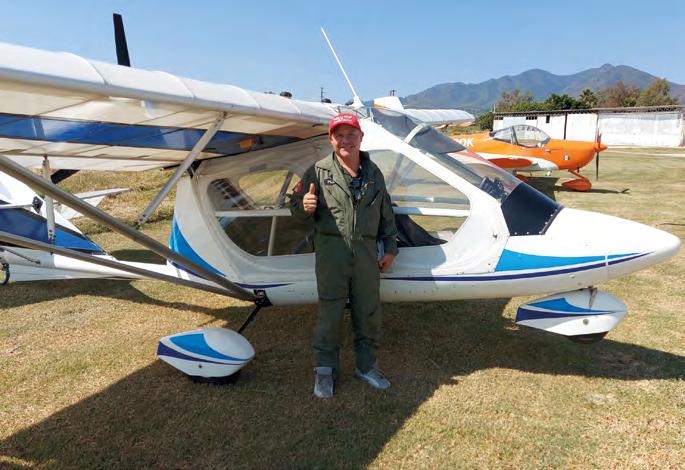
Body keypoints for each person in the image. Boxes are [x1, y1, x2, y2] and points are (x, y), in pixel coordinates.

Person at [290, 112, 399, 398]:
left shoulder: (374, 174)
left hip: (365, 256)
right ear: (331, 139)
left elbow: (386, 213)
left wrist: (390, 247)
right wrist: (304, 205)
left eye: (351, 134)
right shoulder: (317, 171)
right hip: (332, 255)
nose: (345, 140)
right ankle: (324, 370)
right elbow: (295, 209)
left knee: (368, 312)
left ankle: (367, 366)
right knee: (330, 313)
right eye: (339, 135)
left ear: (361, 137)